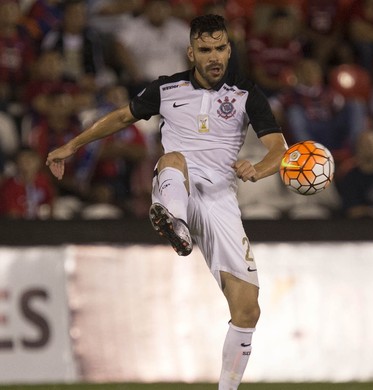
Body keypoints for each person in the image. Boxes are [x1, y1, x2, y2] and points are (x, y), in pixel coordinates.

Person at [45, 14, 288, 390]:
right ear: (191, 52)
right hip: (178, 184)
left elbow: (278, 148)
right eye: (205, 50)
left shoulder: (246, 94)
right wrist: (71, 145)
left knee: (247, 310)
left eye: (221, 48)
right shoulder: (167, 89)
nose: (214, 57)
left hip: (220, 199)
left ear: (229, 49)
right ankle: (174, 222)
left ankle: (227, 388)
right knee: (173, 159)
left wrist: (258, 169)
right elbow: (121, 117)